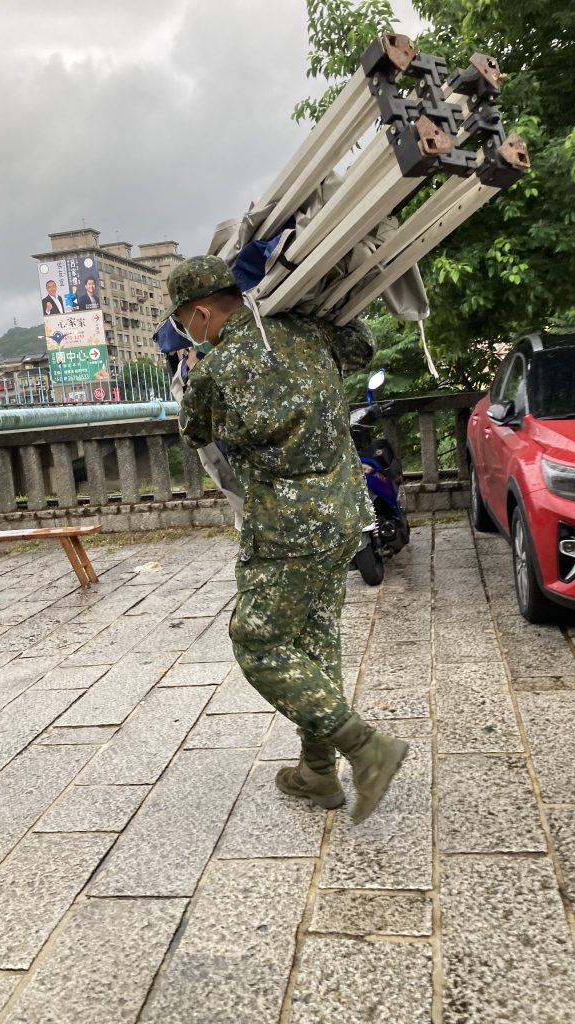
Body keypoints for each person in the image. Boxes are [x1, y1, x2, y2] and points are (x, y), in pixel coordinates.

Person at [171, 255, 408, 823]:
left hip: (286, 523)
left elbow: (193, 431)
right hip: (347, 509)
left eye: (185, 323)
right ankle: (317, 772)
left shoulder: (215, 368)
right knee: (316, 635)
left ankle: (365, 749)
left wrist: (193, 366)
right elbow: (363, 346)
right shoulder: (307, 330)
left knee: (258, 641)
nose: (188, 332)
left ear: (202, 312)